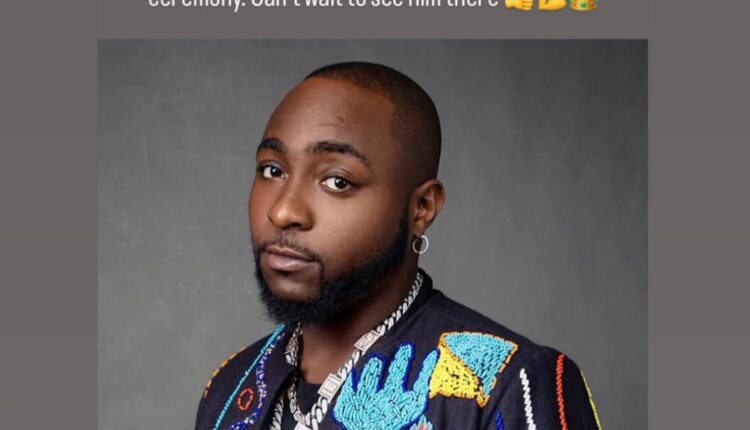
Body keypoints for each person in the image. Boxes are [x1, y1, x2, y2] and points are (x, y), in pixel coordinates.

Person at [195, 62, 602, 430]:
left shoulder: (507, 383)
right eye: (273, 170)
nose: (284, 211)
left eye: (338, 181)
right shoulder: (232, 386)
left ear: (422, 208)